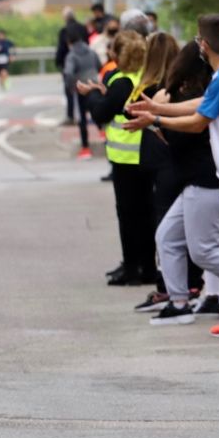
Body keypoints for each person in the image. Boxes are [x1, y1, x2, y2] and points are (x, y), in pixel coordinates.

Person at [126, 14, 219, 336]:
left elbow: (199, 121)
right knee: (170, 238)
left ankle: (206, 300)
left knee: (205, 251)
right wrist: (156, 110)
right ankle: (179, 303)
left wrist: (156, 121)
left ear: (203, 44)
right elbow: (201, 105)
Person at [79, 31, 154, 286]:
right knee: (148, 213)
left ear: (118, 54)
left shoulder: (121, 82)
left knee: (128, 215)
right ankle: (148, 266)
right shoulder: (148, 77)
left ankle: (131, 268)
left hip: (125, 157)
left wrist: (91, 94)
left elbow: (101, 112)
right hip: (149, 155)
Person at [63, 26, 102, 159]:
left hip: (80, 88)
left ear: (69, 42)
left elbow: (68, 72)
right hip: (94, 85)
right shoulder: (91, 51)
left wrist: (71, 86)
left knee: (82, 118)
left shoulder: (72, 55)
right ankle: (103, 134)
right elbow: (99, 66)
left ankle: (85, 148)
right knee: (97, 111)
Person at [56, 8, 88, 126]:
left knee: (70, 91)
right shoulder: (83, 28)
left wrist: (59, 63)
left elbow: (61, 49)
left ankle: (71, 116)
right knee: (84, 90)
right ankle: (84, 116)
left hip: (69, 65)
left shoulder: (64, 30)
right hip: (85, 64)